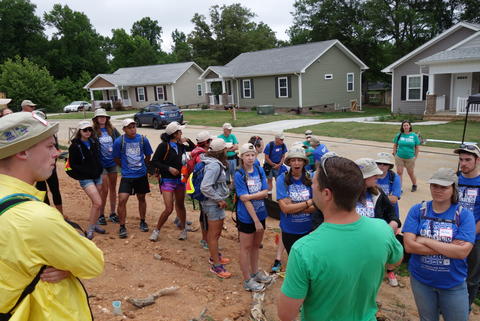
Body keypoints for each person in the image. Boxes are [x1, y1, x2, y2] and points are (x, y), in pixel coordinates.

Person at [0, 112, 104, 320]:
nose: (56, 153)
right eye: (49, 147)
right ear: (22, 151)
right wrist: (67, 263)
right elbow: (93, 263)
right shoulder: (36, 217)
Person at [278, 155, 403, 321]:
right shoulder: (382, 229)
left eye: (314, 183)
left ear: (327, 194)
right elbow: (395, 261)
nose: (312, 187)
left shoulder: (304, 249)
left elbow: (286, 315)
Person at [403, 168, 475, 321]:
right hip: (421, 280)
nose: (438, 190)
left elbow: (462, 253)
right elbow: (409, 246)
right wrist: (449, 248)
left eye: (444, 187)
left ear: (453, 188)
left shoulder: (464, 215)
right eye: (434, 185)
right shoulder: (418, 210)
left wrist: (425, 240)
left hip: (453, 283)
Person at [355, 157, 402, 287]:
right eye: (373, 174)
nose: (378, 176)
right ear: (363, 177)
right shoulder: (344, 195)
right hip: (352, 247)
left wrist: (393, 223)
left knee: (370, 280)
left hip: (373, 246)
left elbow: (391, 213)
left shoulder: (378, 193)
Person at [234, 143, 272, 291]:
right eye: (247, 155)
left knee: (256, 245)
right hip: (247, 217)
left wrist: (249, 196)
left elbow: (266, 191)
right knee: (246, 247)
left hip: (261, 212)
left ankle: (255, 272)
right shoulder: (239, 174)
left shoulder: (258, 169)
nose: (250, 158)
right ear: (241, 157)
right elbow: (244, 200)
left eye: (252, 155)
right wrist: (255, 221)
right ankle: (247, 279)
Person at [149, 122, 195, 241]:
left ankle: (183, 229)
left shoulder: (180, 146)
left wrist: (187, 140)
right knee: (169, 208)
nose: (181, 133)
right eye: (179, 132)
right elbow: (154, 161)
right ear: (174, 134)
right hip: (167, 180)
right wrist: (168, 168)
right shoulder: (164, 146)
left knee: (180, 205)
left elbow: (193, 148)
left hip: (180, 181)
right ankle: (157, 230)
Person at [112, 118, 153, 239]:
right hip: (127, 175)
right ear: (124, 129)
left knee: (141, 197)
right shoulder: (119, 141)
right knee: (122, 199)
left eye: (134, 126)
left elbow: (148, 155)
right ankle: (122, 226)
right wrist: (124, 167)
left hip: (141, 174)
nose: (132, 129)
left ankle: (142, 221)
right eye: (129, 127)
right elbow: (116, 158)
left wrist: (143, 166)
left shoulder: (142, 139)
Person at [67, 121, 105, 239]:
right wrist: (85, 172)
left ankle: (95, 224)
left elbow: (97, 157)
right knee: (98, 202)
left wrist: (98, 169)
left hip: (97, 175)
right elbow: (73, 164)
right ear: (80, 132)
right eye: (85, 130)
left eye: (89, 129)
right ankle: (90, 229)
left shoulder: (93, 142)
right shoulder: (74, 146)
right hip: (85, 178)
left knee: (97, 203)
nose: (88, 132)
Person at [200, 138, 232, 278]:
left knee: (216, 233)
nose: (227, 150)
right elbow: (205, 186)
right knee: (213, 235)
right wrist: (219, 199)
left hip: (213, 203)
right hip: (213, 204)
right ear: (220, 151)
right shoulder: (214, 166)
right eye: (225, 149)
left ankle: (215, 257)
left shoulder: (213, 162)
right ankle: (216, 266)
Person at [454, 144, 480, 308]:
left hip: (474, 239)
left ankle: (465, 309)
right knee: (452, 274)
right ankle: (448, 306)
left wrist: (467, 237)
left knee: (471, 278)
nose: (463, 163)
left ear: (478, 160)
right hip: (451, 237)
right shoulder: (454, 179)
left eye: (468, 160)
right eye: (461, 159)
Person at [276, 147, 315, 254]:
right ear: (289, 162)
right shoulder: (282, 179)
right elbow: (285, 209)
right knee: (294, 260)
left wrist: (293, 207)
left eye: (300, 160)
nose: (296, 163)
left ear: (304, 162)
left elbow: (318, 206)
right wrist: (309, 202)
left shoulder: (311, 177)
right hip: (289, 230)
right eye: (293, 160)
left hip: (308, 230)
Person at [92, 108, 121, 225]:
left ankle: (113, 213)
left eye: (104, 117)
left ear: (107, 118)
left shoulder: (112, 130)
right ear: (96, 119)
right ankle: (101, 214)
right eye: (100, 117)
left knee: (113, 188)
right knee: (104, 189)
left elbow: (120, 141)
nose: (102, 118)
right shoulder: (93, 131)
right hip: (101, 164)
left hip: (112, 163)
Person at [189, 130, 213, 249]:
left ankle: (206, 238)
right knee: (205, 214)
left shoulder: (196, 152)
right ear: (206, 142)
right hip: (203, 188)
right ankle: (205, 239)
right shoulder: (202, 156)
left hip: (198, 187)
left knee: (204, 213)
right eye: (210, 140)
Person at [393, 120, 420, 192]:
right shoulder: (399, 135)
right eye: (404, 125)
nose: (406, 127)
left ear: (410, 126)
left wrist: (415, 157)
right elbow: (395, 145)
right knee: (399, 172)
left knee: (410, 172)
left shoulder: (414, 135)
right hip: (399, 157)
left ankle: (414, 185)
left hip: (410, 157)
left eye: (407, 125)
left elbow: (417, 147)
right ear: (402, 126)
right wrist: (395, 154)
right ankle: (400, 188)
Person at [375, 152, 402, 218]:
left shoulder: (394, 177)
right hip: (375, 210)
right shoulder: (371, 176)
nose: (382, 165)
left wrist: (373, 197)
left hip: (389, 211)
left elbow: (394, 199)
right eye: (379, 163)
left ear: (389, 166)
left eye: (385, 164)